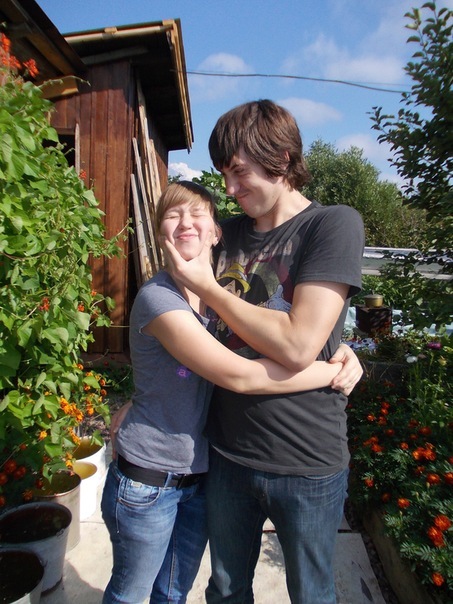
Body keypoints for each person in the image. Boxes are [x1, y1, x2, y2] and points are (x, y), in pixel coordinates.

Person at [101, 180, 361, 604]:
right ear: (158, 230)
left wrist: (341, 346)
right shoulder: (160, 299)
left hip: (199, 474)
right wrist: (329, 370)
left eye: (197, 214)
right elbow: (239, 375)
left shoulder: (213, 302)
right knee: (133, 592)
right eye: (172, 214)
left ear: (216, 233)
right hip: (152, 479)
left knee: (174, 590)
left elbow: (286, 331)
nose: (186, 223)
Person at [163, 100, 366, 603]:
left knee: (312, 594)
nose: (229, 189)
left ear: (281, 158)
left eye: (239, 172)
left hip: (307, 459)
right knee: (226, 589)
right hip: (226, 452)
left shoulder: (331, 225)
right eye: (223, 175)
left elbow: (298, 345)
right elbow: (169, 307)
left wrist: (210, 289)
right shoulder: (225, 233)